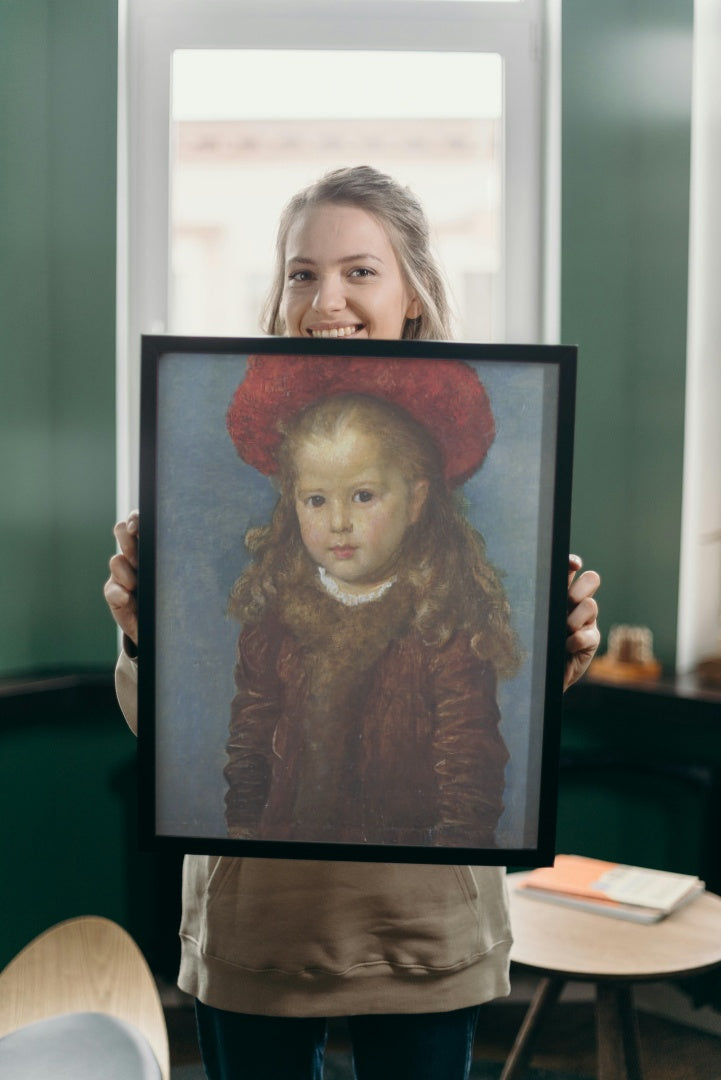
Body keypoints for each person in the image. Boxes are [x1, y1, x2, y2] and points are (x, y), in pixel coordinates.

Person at [105, 165, 601, 1080]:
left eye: (359, 271)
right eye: (301, 272)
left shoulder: (466, 586)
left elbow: (489, 739)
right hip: (259, 924)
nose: (324, 297)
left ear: (412, 291)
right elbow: (190, 741)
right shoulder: (253, 584)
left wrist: (557, 651)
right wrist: (144, 638)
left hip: (420, 927)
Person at [223, 356, 522, 848]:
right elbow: (250, 738)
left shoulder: (443, 621)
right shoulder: (277, 615)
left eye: (363, 496)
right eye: (316, 500)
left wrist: (450, 850)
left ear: (416, 500)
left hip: (409, 867)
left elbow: (470, 761)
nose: (339, 521)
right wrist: (243, 830)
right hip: (283, 860)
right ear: (292, 502)